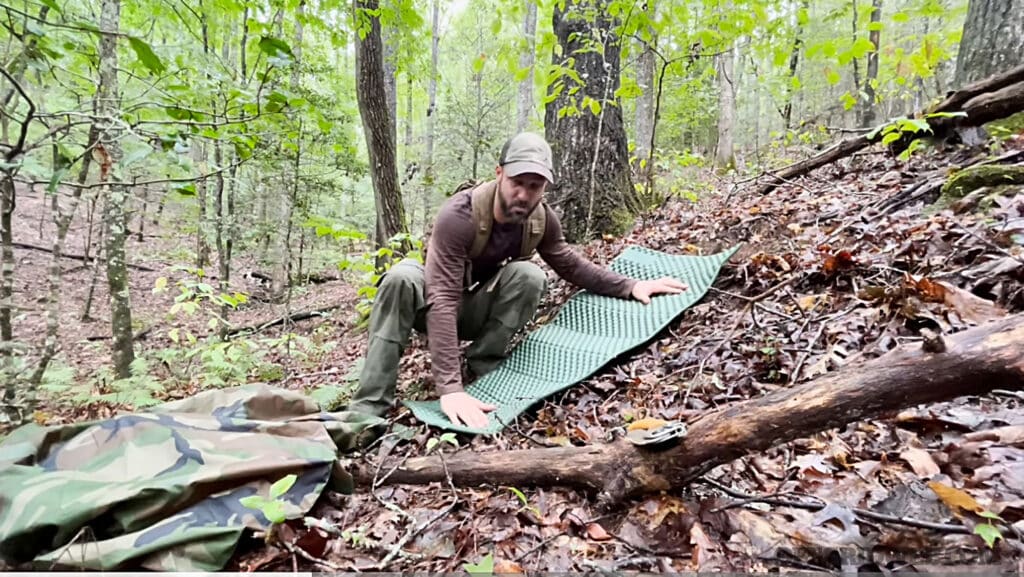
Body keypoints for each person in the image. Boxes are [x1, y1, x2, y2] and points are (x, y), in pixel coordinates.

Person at [348, 132, 687, 428]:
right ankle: (369, 408)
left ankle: (484, 364)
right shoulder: (459, 215)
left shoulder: (541, 220)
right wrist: (450, 390)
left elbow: (569, 265)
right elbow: (442, 298)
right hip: (431, 305)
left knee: (529, 275)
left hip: (474, 309)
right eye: (517, 183)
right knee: (400, 277)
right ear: (500, 175)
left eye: (534, 186)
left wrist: (630, 286)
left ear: (545, 187)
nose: (524, 195)